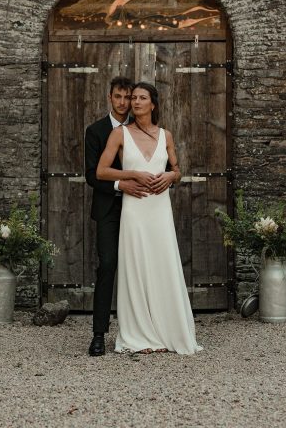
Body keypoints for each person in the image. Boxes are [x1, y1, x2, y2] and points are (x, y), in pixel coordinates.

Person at [96, 82, 203, 354]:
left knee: (162, 265)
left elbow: (177, 170)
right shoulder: (120, 134)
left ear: (153, 104)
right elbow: (101, 171)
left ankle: (167, 332)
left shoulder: (165, 135)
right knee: (136, 268)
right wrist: (131, 175)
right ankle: (138, 335)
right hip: (134, 210)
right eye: (133, 98)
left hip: (159, 210)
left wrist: (170, 176)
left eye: (142, 98)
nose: (135, 102)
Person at [85, 77, 149, 357]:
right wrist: (119, 185)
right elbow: (91, 174)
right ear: (109, 97)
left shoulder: (142, 130)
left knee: (141, 267)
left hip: (140, 209)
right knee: (108, 265)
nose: (124, 103)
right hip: (109, 208)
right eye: (118, 97)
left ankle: (144, 331)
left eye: (128, 97)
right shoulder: (96, 131)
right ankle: (99, 334)